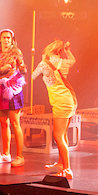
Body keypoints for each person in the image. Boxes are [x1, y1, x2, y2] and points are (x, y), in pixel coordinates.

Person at [32, 39, 77, 178]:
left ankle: (67, 169)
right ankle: (61, 164)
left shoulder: (44, 64)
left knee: (58, 136)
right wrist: (68, 51)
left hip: (61, 102)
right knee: (62, 135)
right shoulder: (62, 63)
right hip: (68, 99)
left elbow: (33, 76)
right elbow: (72, 60)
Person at [0, 28, 27, 167]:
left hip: (13, 89)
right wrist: (3, 68)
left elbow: (23, 69)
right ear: (0, 39)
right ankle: (5, 154)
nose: (6, 40)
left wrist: (21, 68)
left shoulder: (16, 52)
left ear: (12, 39)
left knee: (15, 123)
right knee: (3, 122)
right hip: (0, 88)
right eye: (4, 37)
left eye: (8, 38)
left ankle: (20, 156)